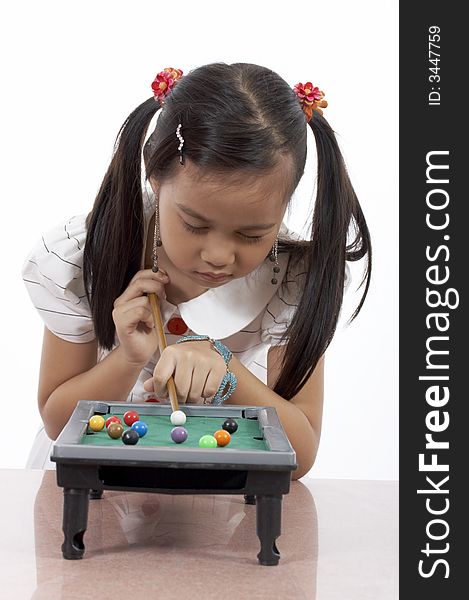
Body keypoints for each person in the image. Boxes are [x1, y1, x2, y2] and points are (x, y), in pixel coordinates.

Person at [21, 62, 371, 478]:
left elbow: (302, 450)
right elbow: (58, 422)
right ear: (154, 173)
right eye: (195, 225)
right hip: (93, 488)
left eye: (253, 234)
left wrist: (225, 367)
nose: (220, 256)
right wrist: (129, 359)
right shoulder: (84, 256)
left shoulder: (294, 279)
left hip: (217, 495)